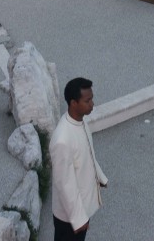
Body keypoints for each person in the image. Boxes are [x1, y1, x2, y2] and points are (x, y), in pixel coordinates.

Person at [50, 77, 108, 240]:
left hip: (81, 209)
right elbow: (64, 183)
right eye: (87, 100)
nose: (92, 104)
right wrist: (79, 219)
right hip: (70, 217)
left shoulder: (80, 122)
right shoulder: (62, 140)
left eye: (92, 99)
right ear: (73, 103)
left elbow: (88, 153)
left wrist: (100, 177)